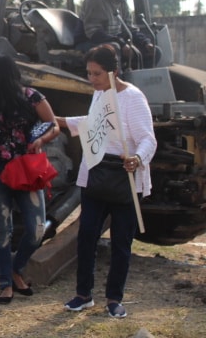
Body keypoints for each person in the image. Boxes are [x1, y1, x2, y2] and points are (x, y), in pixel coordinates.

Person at [58, 45, 156, 318]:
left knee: (121, 243)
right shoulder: (99, 93)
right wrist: (61, 121)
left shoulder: (133, 98)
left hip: (124, 178)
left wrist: (137, 157)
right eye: (89, 73)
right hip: (96, 175)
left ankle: (114, 299)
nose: (92, 79)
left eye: (97, 74)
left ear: (113, 72)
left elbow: (148, 138)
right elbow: (93, 124)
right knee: (86, 236)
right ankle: (83, 295)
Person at [0, 54, 60, 304]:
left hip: (27, 170)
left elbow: (53, 124)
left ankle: (15, 268)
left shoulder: (31, 97)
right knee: (2, 229)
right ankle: (5, 281)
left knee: (37, 228)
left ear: (2, 76)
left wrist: (41, 140)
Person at [80, 0, 160, 68]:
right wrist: (122, 44)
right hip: (90, 42)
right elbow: (93, 32)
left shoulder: (123, 2)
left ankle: (137, 79)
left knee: (155, 52)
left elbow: (129, 29)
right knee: (114, 49)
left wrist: (145, 42)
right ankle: (117, 83)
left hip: (115, 41)